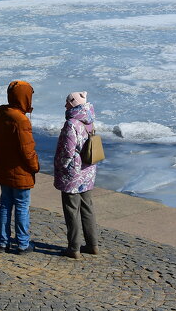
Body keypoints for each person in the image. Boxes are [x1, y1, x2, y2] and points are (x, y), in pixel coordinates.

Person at [0, 80, 39, 254]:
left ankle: (2, 243)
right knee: (21, 206)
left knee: (5, 204)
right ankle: (23, 244)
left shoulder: (0, 113)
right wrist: (35, 166)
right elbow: (28, 151)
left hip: (3, 167)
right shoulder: (21, 120)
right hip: (20, 172)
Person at [54, 91, 99, 259]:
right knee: (88, 208)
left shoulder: (71, 124)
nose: (65, 106)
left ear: (73, 104)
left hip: (72, 174)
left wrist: (60, 167)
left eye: (67, 103)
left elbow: (67, 151)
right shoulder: (89, 121)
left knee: (72, 210)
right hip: (87, 172)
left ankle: (74, 248)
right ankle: (92, 245)